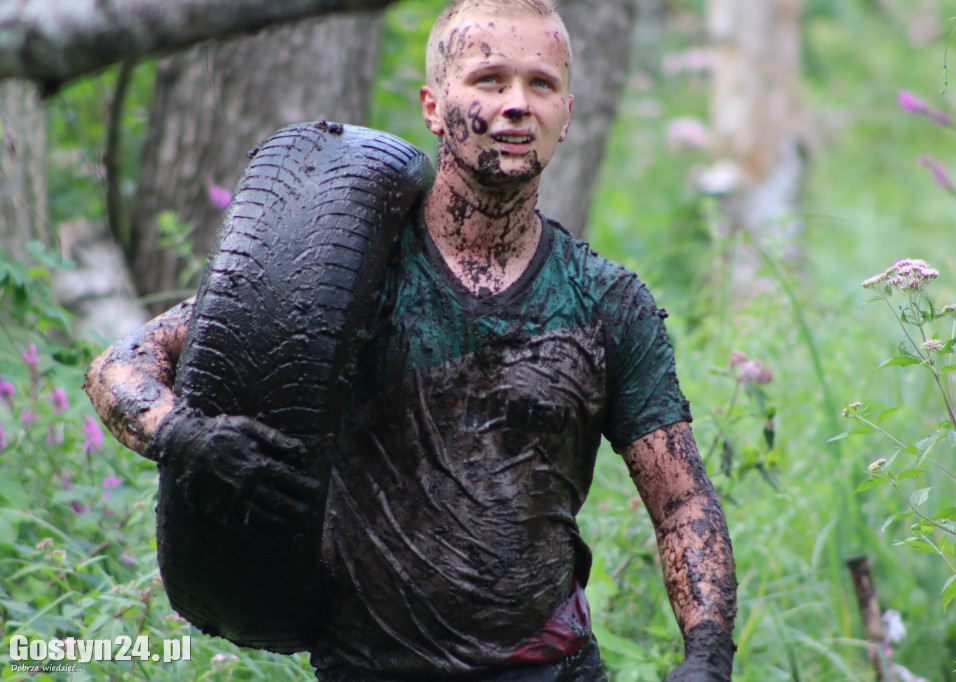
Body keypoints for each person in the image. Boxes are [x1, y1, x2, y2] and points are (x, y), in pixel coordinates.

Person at [84, 1, 738, 680]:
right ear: (433, 105)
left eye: (540, 84)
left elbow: (681, 497)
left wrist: (708, 653)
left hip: (550, 668)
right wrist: (186, 438)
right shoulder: (342, 269)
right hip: (367, 666)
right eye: (489, 79)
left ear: (566, 114)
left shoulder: (606, 301)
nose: (517, 104)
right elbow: (117, 367)